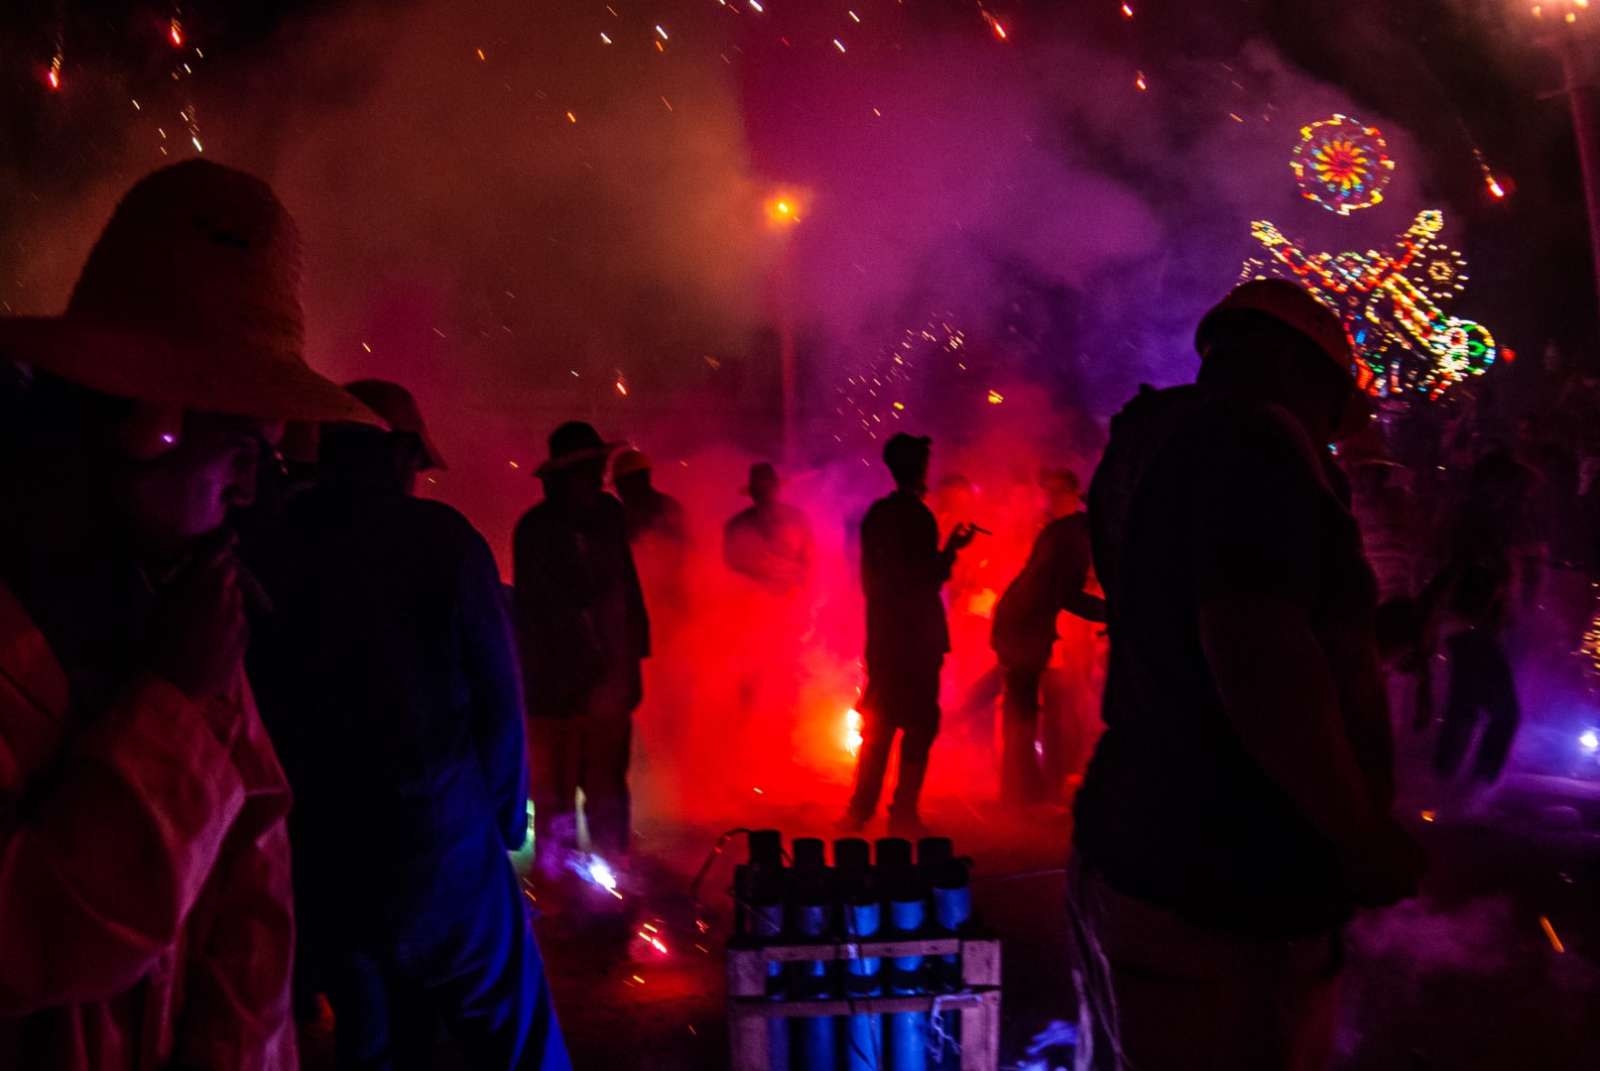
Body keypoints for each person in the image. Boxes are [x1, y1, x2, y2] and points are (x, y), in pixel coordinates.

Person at [0, 160, 379, 1069]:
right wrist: (169, 701)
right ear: (147, 423)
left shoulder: (183, 610)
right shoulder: (138, 640)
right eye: (236, 444)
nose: (252, 486)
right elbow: (32, 941)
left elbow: (251, 940)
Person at [1069, 279, 1422, 1070]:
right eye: (1334, 405)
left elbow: (1220, 633)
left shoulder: (1154, 450)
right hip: (1231, 879)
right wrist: (1359, 833)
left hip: (1142, 849)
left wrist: (1386, 635)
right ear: (1297, 369)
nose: (1331, 431)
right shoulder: (1254, 445)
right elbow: (1255, 655)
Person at [250, 379, 570, 1070]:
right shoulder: (442, 539)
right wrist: (504, 821)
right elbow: (497, 692)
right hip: (439, 837)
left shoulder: (273, 543)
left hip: (325, 852)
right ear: (397, 453)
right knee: (515, 1033)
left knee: (374, 1042)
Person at [514, 422, 649, 874]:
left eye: (597, 470)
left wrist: (627, 667)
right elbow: (546, 612)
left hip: (604, 687)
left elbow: (625, 591)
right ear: (559, 479)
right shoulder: (536, 530)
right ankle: (560, 880)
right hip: (555, 692)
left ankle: (613, 875)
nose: (597, 479)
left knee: (607, 786)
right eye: (587, 471)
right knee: (556, 793)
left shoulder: (608, 517)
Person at [842, 433, 977, 837]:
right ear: (918, 468)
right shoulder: (917, 516)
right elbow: (925, 578)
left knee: (879, 726)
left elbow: (878, 577)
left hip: (884, 636)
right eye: (924, 462)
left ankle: (858, 812)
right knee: (919, 725)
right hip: (916, 639)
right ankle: (903, 813)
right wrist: (953, 548)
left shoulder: (877, 515)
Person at [991, 467, 1106, 804]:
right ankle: (1020, 796)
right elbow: (1065, 595)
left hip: (1020, 623)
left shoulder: (1065, 531)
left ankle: (1024, 791)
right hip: (1022, 627)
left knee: (1023, 711)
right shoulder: (1074, 536)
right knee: (1022, 713)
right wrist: (1112, 613)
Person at [1421, 448, 1532, 787]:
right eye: (1506, 483)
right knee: (1504, 711)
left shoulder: (1481, 519)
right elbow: (1458, 568)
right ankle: (1475, 786)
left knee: (1464, 705)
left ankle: (1444, 783)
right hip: (1469, 623)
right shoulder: (1476, 520)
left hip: (1468, 623)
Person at [723, 461, 815, 596]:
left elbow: (809, 560)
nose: (765, 494)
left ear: (776, 489)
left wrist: (798, 586)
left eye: (768, 488)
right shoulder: (737, 525)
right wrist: (761, 580)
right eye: (761, 490)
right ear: (753, 494)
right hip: (753, 604)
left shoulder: (797, 518)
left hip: (793, 600)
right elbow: (732, 563)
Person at [613, 448, 688, 547]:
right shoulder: (622, 517)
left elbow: (686, 547)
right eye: (619, 485)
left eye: (622, 484)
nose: (619, 491)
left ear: (640, 480)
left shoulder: (667, 509)